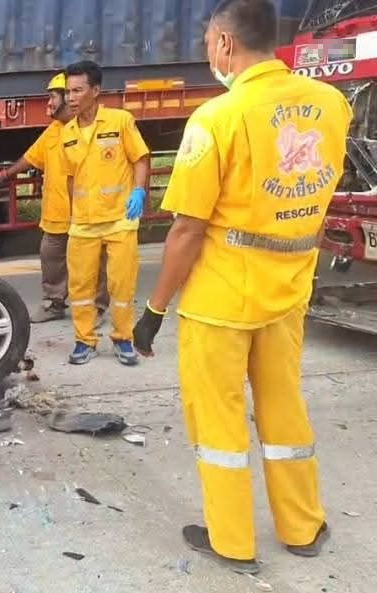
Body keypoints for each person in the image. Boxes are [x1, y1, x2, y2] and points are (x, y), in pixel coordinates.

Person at [132, 0, 352, 574]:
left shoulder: (217, 118)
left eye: (209, 42)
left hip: (222, 301)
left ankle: (232, 540)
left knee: (219, 421)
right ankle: (302, 527)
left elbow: (187, 229)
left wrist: (154, 309)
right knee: (284, 409)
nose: (208, 52)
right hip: (289, 292)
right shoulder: (332, 104)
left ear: (226, 43)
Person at [0, 74, 109, 324]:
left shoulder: (93, 129)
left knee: (93, 261)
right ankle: (53, 304)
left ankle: (96, 308)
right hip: (56, 214)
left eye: (53, 97)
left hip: (88, 212)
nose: (48, 103)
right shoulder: (54, 131)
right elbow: (30, 159)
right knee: (51, 259)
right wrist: (3, 176)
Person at [59, 60, 151, 366]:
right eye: (68, 92)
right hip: (83, 223)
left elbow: (140, 159)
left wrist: (139, 191)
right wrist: (73, 213)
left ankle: (123, 338)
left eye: (77, 91)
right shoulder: (67, 132)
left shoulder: (120, 120)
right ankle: (84, 340)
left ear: (95, 91)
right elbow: (70, 178)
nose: (71, 97)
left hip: (119, 220)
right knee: (80, 288)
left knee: (121, 285)